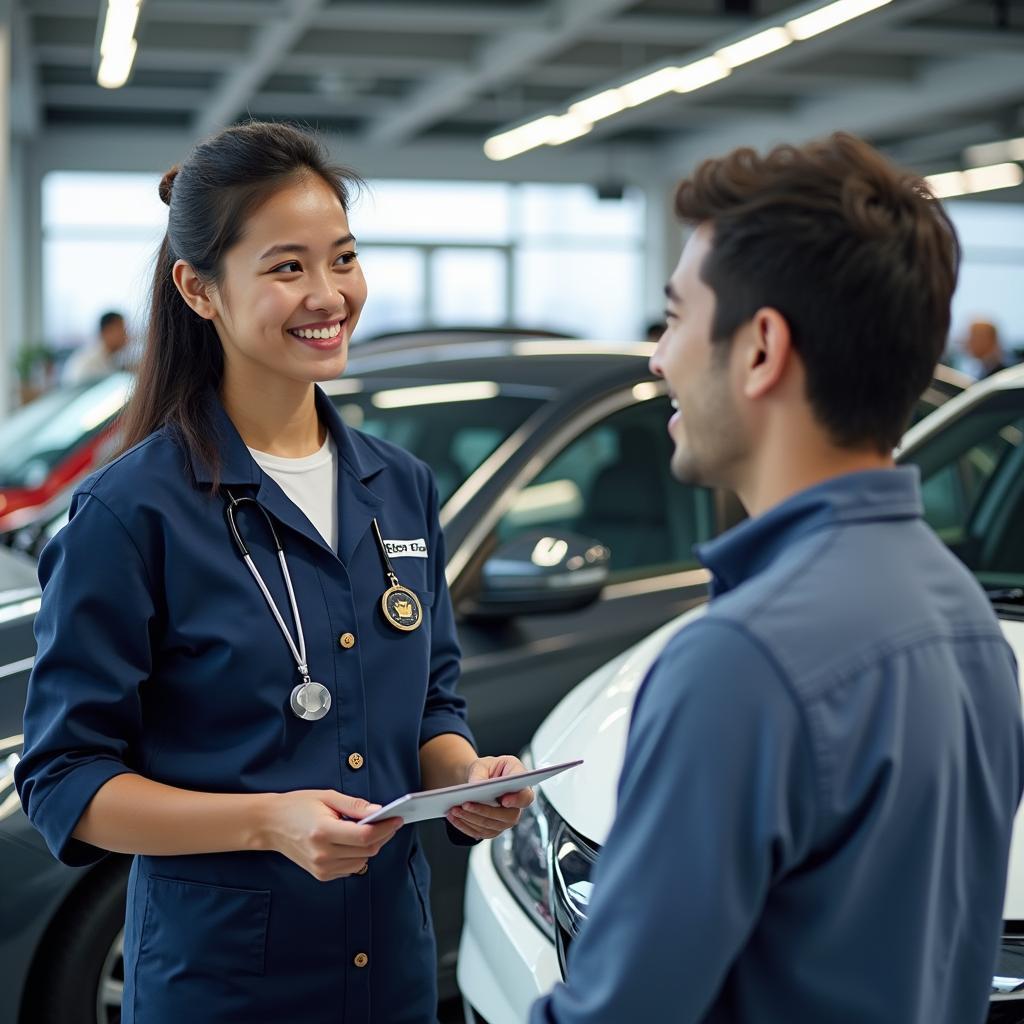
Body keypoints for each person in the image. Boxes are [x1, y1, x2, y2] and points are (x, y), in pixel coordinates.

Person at [15, 121, 533, 1024]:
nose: (329, 295)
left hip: (390, 970)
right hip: (223, 984)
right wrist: (264, 821)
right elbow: (65, 779)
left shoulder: (399, 488)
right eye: (287, 267)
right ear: (198, 289)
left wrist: (462, 778)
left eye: (343, 258)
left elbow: (434, 702)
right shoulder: (131, 514)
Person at [532, 133, 1023, 1024]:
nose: (658, 357)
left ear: (760, 349)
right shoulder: (966, 622)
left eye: (676, 317)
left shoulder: (740, 662)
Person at [62, 309, 130, 383]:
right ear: (107, 331)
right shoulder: (89, 363)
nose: (126, 336)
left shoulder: (107, 358)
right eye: (123, 330)